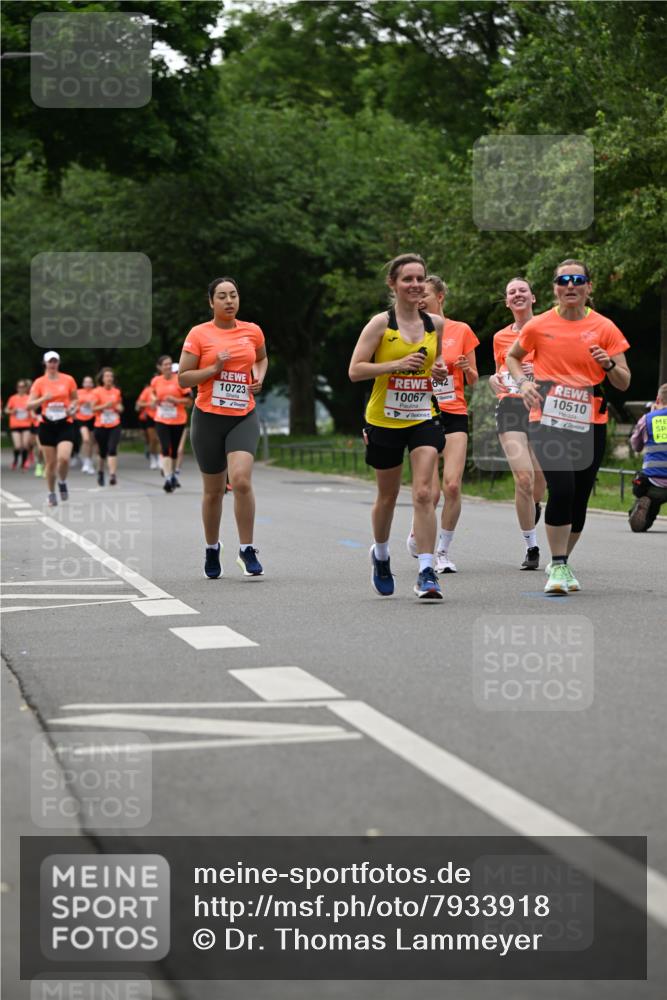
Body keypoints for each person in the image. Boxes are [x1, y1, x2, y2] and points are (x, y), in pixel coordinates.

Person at [507, 259, 631, 595]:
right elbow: (513, 357)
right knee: (561, 488)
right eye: (564, 281)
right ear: (555, 289)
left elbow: (623, 381)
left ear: (589, 287)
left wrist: (607, 363)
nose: (570, 286)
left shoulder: (605, 327)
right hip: (547, 419)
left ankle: (560, 562)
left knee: (578, 499)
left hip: (590, 420)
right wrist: (522, 383)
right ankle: (559, 564)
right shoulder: (539, 324)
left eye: (578, 280)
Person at [349, 253, 448, 599]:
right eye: (407, 279)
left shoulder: (436, 324)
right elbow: (355, 370)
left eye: (420, 278)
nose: (416, 285)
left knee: (424, 493)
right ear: (393, 283)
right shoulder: (380, 324)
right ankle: (380, 554)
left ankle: (426, 571)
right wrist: (395, 364)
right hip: (384, 420)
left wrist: (438, 371)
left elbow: (438, 365)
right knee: (388, 496)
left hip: (423, 415)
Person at [178, 276, 268, 579]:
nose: (229, 301)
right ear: (211, 302)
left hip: (243, 414)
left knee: (241, 480)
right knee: (213, 491)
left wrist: (259, 376)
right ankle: (212, 548)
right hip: (208, 417)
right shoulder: (199, 334)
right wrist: (212, 370)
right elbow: (183, 379)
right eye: (222, 296)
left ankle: (247, 549)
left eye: (233, 295)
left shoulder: (252, 331)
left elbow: (262, 358)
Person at [406, 275, 479, 573]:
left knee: (452, 485)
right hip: (423, 413)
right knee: (430, 492)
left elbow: (475, 379)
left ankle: (443, 551)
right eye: (417, 294)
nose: (420, 298)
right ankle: (418, 530)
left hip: (455, 412)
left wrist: (466, 369)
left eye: (426, 293)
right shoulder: (411, 331)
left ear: (441, 297)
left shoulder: (461, 331)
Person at [488, 277, 546, 569]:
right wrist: (492, 380)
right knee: (524, 479)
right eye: (512, 292)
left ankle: (533, 505)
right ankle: (531, 546)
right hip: (510, 406)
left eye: (522, 290)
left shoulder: (548, 328)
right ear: (507, 301)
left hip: (541, 407)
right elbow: (500, 371)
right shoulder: (500, 337)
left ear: (533, 298)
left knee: (539, 483)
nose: (517, 295)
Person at [27, 351, 78, 506]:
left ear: (59, 363)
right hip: (47, 425)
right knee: (50, 464)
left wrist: (73, 408)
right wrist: (44, 398)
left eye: (55, 361)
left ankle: (62, 482)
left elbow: (75, 399)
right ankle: (51, 493)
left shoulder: (68, 379)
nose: (53, 364)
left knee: (64, 458)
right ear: (45, 363)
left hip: (65, 423)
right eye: (50, 362)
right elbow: (29, 404)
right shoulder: (39, 382)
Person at [628, 384, 667, 531]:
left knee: (649, 498)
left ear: (658, 399)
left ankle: (645, 509)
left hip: (651, 481)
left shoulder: (648, 419)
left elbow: (635, 445)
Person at [151, 355, 192, 493]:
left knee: (174, 451)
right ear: (159, 367)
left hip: (178, 419)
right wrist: (154, 400)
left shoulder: (180, 380)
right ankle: (168, 478)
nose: (168, 366)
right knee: (165, 447)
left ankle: (173, 474)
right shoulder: (156, 381)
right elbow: (152, 394)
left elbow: (189, 402)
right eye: (165, 364)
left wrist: (175, 400)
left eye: (170, 364)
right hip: (161, 419)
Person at [91, 367, 123, 486]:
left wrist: (118, 408)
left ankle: (112, 475)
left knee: (112, 448)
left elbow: (120, 407)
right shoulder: (97, 391)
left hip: (115, 424)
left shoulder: (116, 392)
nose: (109, 378)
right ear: (102, 379)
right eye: (107, 376)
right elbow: (93, 408)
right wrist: (105, 405)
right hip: (101, 425)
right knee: (102, 452)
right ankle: (100, 471)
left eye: (111, 376)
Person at [4, 379, 32, 470]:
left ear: (25, 388)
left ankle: (24, 463)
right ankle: (15, 460)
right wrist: (13, 411)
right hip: (15, 425)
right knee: (17, 446)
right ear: (17, 388)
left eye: (23, 387)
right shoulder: (13, 398)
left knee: (24, 445)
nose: (21, 388)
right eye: (19, 387)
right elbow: (6, 410)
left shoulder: (29, 398)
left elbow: (33, 409)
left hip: (26, 425)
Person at [135, 383, 160, 469]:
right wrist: (149, 404)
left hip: (163, 416)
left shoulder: (166, 388)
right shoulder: (147, 390)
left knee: (160, 439)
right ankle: (153, 457)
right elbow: (139, 404)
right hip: (150, 417)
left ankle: (160, 458)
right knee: (152, 439)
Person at [76, 375, 97, 474]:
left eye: (90, 382)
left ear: (92, 384)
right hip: (81, 418)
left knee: (91, 442)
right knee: (86, 439)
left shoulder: (96, 392)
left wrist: (92, 404)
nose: (88, 384)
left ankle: (89, 461)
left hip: (93, 418)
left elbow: (98, 403)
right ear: (83, 383)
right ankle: (85, 461)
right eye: (86, 382)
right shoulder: (78, 392)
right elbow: (74, 404)